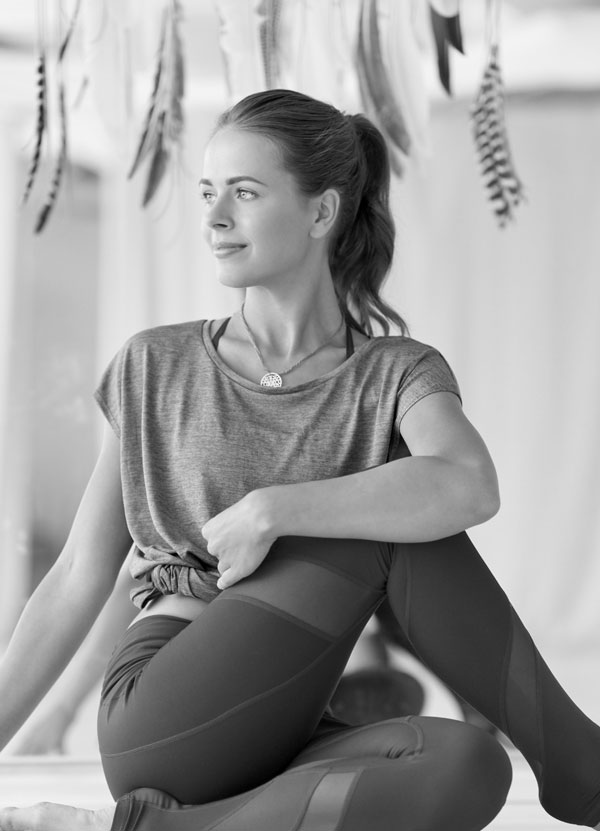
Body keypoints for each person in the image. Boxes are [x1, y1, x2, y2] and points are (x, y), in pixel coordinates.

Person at [1, 88, 599, 831]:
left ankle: (146, 829)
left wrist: (274, 508)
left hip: (282, 722)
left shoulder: (393, 371)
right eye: (209, 193)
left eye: (245, 194)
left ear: (321, 213)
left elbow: (470, 483)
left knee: (469, 763)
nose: (215, 219)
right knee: (385, 517)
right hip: (166, 703)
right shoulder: (157, 363)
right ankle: (587, 770)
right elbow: (73, 580)